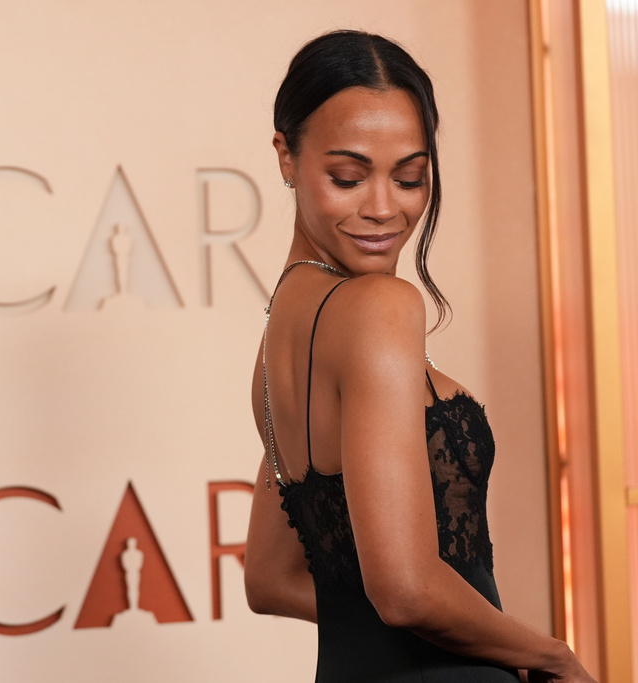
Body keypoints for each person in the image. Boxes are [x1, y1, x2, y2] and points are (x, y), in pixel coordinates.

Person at [243, 30, 595, 682]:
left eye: (410, 177)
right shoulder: (378, 306)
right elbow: (404, 588)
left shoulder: (277, 344)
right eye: (347, 177)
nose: (383, 208)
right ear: (286, 156)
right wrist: (549, 653)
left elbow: (268, 578)